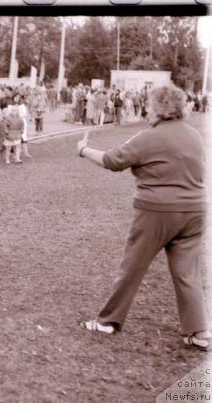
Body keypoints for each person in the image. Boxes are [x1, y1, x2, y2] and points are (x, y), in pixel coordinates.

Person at [77, 84, 210, 351]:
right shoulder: (195, 135)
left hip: (157, 211)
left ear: (158, 108)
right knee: (188, 272)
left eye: (150, 105)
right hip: (196, 211)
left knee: (132, 266)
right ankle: (199, 332)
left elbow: (112, 161)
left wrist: (83, 150)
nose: (147, 110)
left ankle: (108, 321)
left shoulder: (149, 137)